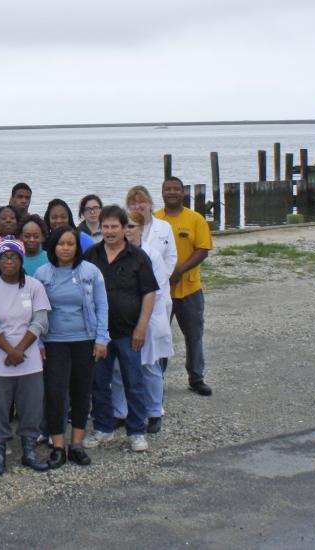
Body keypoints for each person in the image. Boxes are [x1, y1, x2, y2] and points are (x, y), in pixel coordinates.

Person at [82, 206, 158, 453]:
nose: (110, 231)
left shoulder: (138, 257)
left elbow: (149, 293)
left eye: (115, 226)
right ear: (100, 228)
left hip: (128, 333)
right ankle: (103, 427)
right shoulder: (91, 255)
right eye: (106, 227)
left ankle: (136, 431)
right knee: (99, 382)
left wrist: (141, 328)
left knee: (133, 382)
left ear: (125, 228)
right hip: (99, 334)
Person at [34, 226, 109, 468]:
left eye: (71, 244)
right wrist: (38, 341)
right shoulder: (42, 274)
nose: (66, 248)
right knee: (55, 394)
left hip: (84, 339)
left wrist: (101, 338)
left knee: (81, 392)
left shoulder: (91, 272)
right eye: (61, 244)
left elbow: (102, 306)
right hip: (54, 342)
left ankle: (76, 444)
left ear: (77, 247)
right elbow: (34, 312)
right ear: (53, 247)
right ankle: (58, 446)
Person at [0, 238, 51, 475]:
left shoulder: (34, 286)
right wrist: (10, 351)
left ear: (21, 260)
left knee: (31, 407)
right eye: (3, 257)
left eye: (13, 257)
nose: (8, 261)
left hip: (29, 360)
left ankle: (29, 451)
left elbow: (40, 321)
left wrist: (20, 350)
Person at [111, 212, 174, 434]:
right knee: (118, 369)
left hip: (147, 319)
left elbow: (155, 291)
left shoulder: (152, 255)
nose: (127, 230)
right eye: (124, 225)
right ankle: (120, 412)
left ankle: (154, 412)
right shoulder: (115, 253)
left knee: (149, 367)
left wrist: (142, 323)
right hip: (120, 321)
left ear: (141, 229)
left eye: (132, 225)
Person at [155, 177, 214, 396]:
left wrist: (179, 271)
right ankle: (156, 379)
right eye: (167, 189)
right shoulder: (154, 219)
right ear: (161, 193)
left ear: (182, 193)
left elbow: (202, 249)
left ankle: (196, 378)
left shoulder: (195, 219)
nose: (172, 192)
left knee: (194, 334)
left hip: (189, 288)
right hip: (162, 290)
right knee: (160, 334)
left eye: (176, 189)